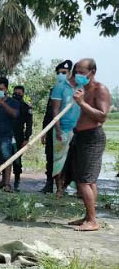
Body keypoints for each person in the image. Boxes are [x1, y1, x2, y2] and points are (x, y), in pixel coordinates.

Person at [66, 58, 111, 231]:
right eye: (76, 71)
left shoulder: (100, 90)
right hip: (80, 136)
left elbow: (102, 116)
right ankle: (88, 216)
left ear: (92, 72)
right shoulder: (81, 88)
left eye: (82, 72)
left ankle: (93, 221)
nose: (78, 75)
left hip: (93, 137)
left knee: (85, 181)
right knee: (84, 180)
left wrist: (82, 103)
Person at [41, 60, 73, 193]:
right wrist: (44, 131)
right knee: (51, 157)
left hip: (68, 130)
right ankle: (49, 184)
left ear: (70, 73)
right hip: (52, 129)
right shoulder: (54, 91)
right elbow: (49, 113)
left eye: (63, 73)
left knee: (68, 159)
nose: (60, 75)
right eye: (58, 73)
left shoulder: (74, 90)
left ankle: (64, 187)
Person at [51, 64, 82, 198]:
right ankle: (59, 189)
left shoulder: (82, 89)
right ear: (74, 73)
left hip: (78, 131)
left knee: (78, 161)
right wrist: (58, 130)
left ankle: (78, 190)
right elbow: (55, 110)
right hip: (62, 129)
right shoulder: (60, 87)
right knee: (59, 161)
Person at [11, 85, 33, 192]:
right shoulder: (9, 104)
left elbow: (29, 125)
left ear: (23, 94)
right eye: (15, 93)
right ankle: (4, 181)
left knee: (17, 159)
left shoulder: (26, 107)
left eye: (19, 93)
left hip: (19, 136)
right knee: (4, 157)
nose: (17, 95)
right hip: (7, 134)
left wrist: (26, 139)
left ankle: (17, 180)